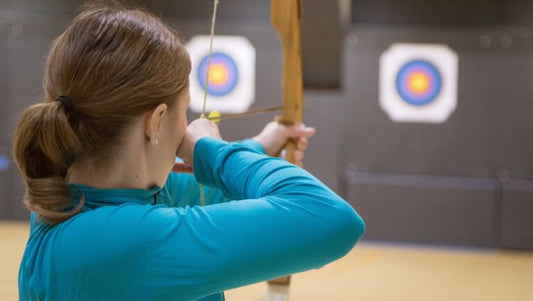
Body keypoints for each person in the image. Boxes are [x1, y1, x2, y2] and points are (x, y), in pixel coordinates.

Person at [13, 4, 365, 301]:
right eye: (185, 112)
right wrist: (210, 149)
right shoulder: (118, 243)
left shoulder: (69, 198)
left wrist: (262, 145)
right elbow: (331, 218)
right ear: (156, 122)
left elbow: (193, 189)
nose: (188, 126)